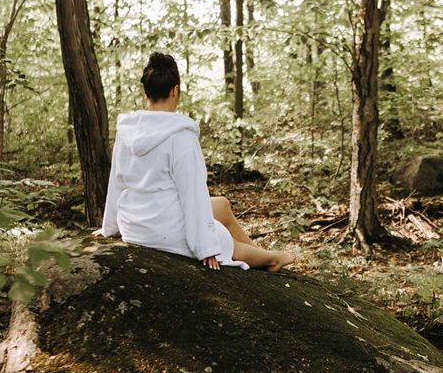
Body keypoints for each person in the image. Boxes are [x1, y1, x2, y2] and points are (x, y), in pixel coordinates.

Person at [98, 52, 295, 272]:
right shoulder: (180, 135)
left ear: (147, 94)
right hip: (163, 229)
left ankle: (259, 250)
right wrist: (205, 246)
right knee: (220, 238)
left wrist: (111, 227)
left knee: (221, 205)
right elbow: (192, 193)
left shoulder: (127, 131)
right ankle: (272, 259)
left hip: (135, 222)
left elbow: (117, 183)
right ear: (175, 90)